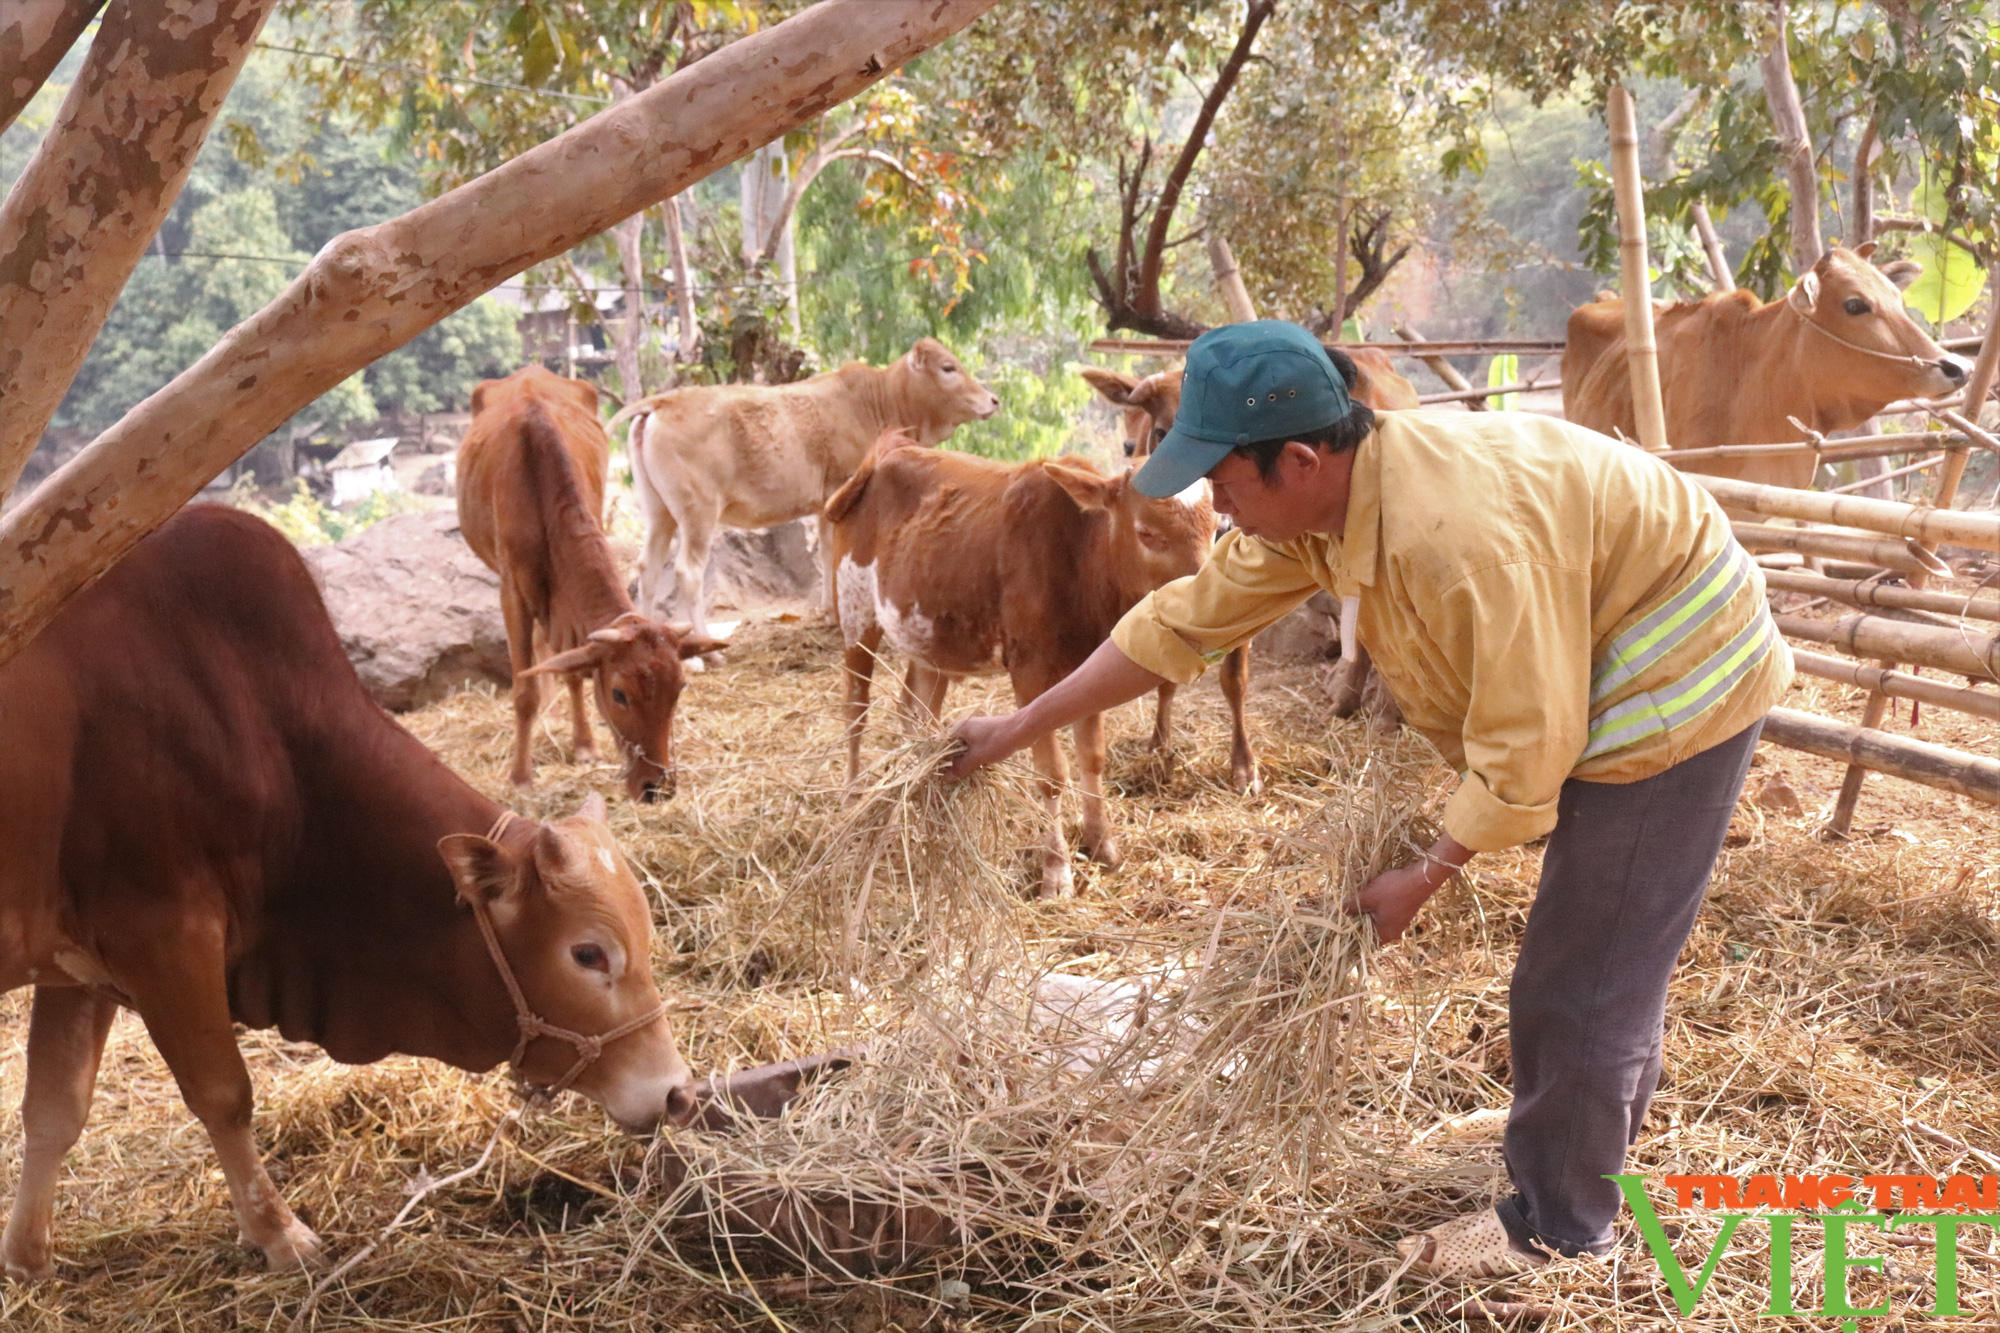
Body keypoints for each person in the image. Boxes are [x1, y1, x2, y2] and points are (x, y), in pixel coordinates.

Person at [945, 320, 1790, 1277]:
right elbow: (1179, 622)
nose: (1210, 502)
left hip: (1675, 666)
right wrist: (1016, 729)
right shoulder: (1326, 507)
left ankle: (1560, 1232)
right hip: (1592, 638)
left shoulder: (1456, 540)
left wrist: (1425, 874)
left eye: (1221, 478)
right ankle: (1594, 1138)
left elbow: (1528, 747)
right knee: (1608, 950)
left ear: (1298, 459)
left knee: (1576, 974)